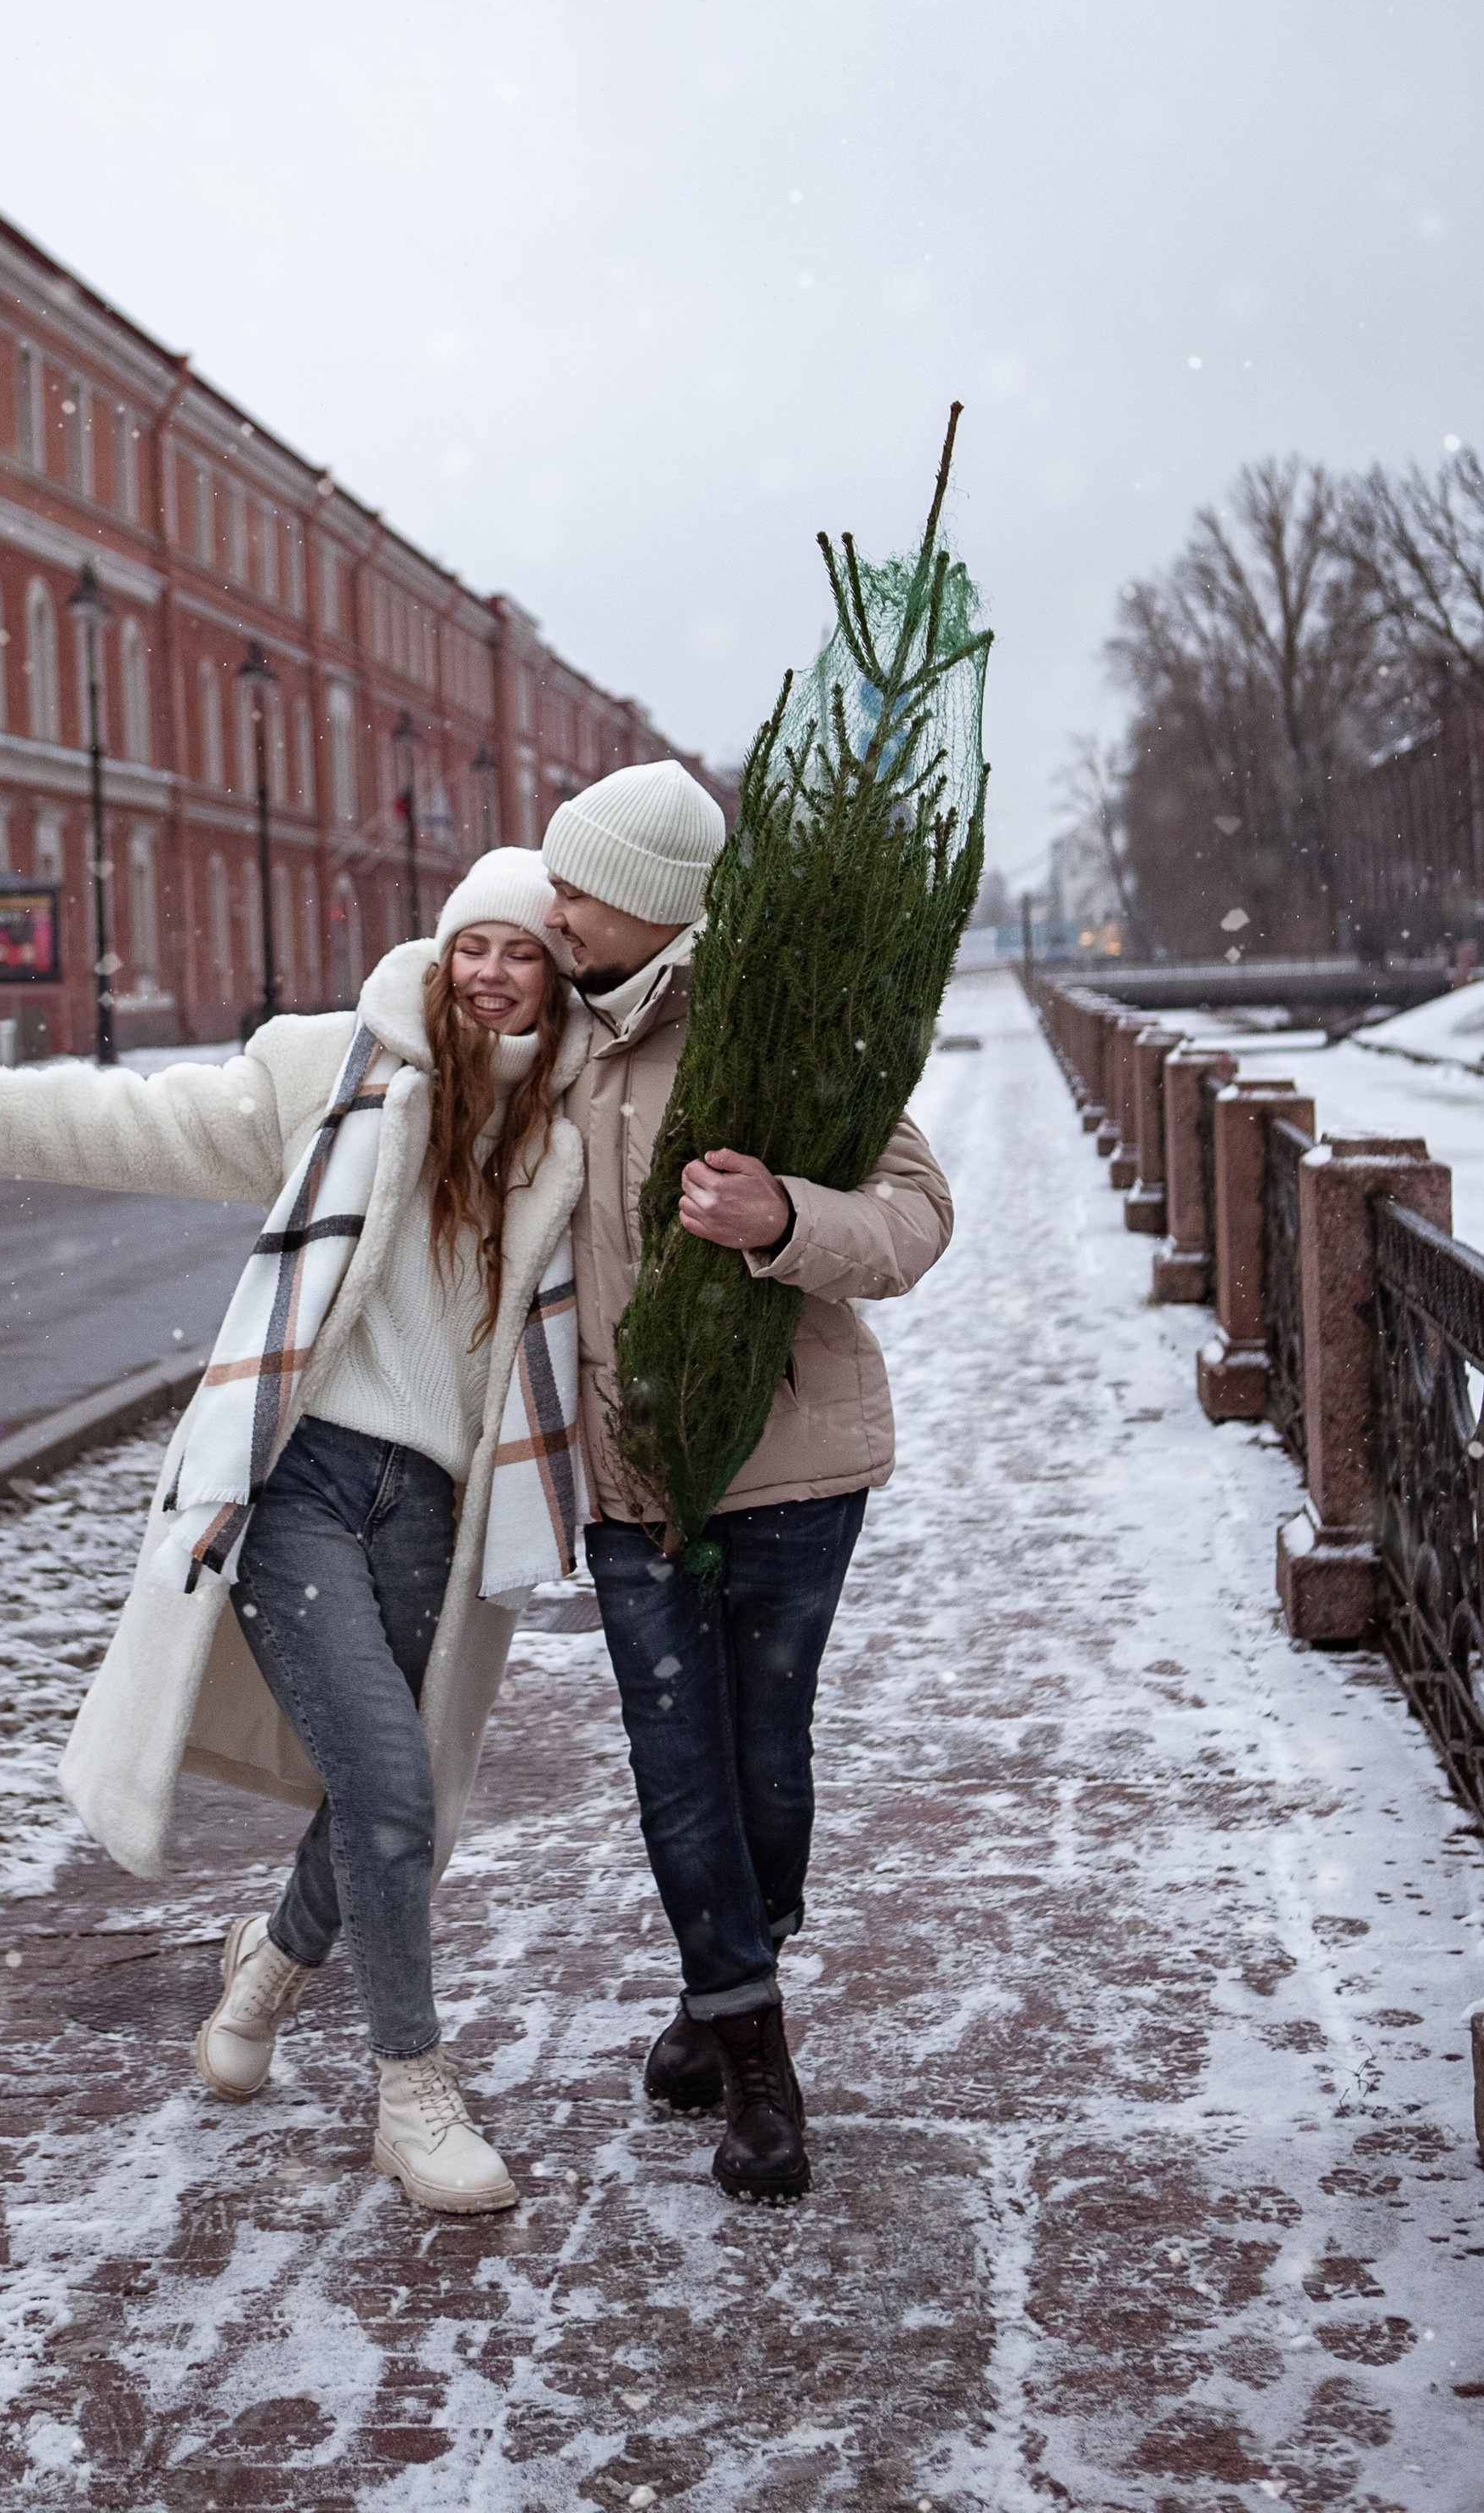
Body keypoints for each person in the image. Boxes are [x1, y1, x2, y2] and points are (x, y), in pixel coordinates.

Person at [0, 848, 590, 2218]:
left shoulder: (567, 1136)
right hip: (296, 1485)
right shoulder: (327, 1073)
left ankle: (269, 1974)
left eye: (522, 952)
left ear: (555, 979)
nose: (489, 973)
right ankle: (411, 2092)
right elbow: (142, 1124)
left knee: (379, 1789)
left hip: (441, 1511)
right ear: (441, 951)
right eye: (473, 944)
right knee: (399, 1798)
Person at [539, 760, 953, 2204]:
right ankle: (757, 2050)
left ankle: (723, 1984)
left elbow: (914, 1218)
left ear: (652, 909)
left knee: (765, 1765)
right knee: (678, 1767)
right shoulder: (547, 1035)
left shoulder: (779, 1032)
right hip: (628, 1470)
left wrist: (783, 1217)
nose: (553, 906)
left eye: (578, 884)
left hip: (787, 1463)